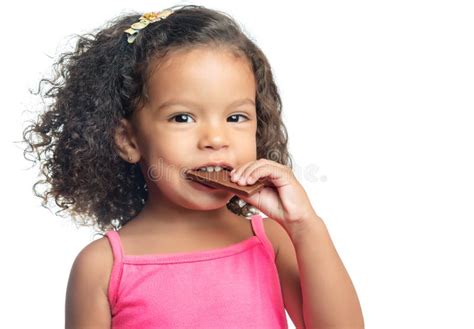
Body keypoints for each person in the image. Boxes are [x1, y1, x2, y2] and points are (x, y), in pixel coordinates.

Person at [23, 5, 364, 328]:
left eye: (236, 117)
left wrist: (304, 226)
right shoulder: (103, 267)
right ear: (129, 140)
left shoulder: (269, 240)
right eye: (182, 117)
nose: (216, 138)